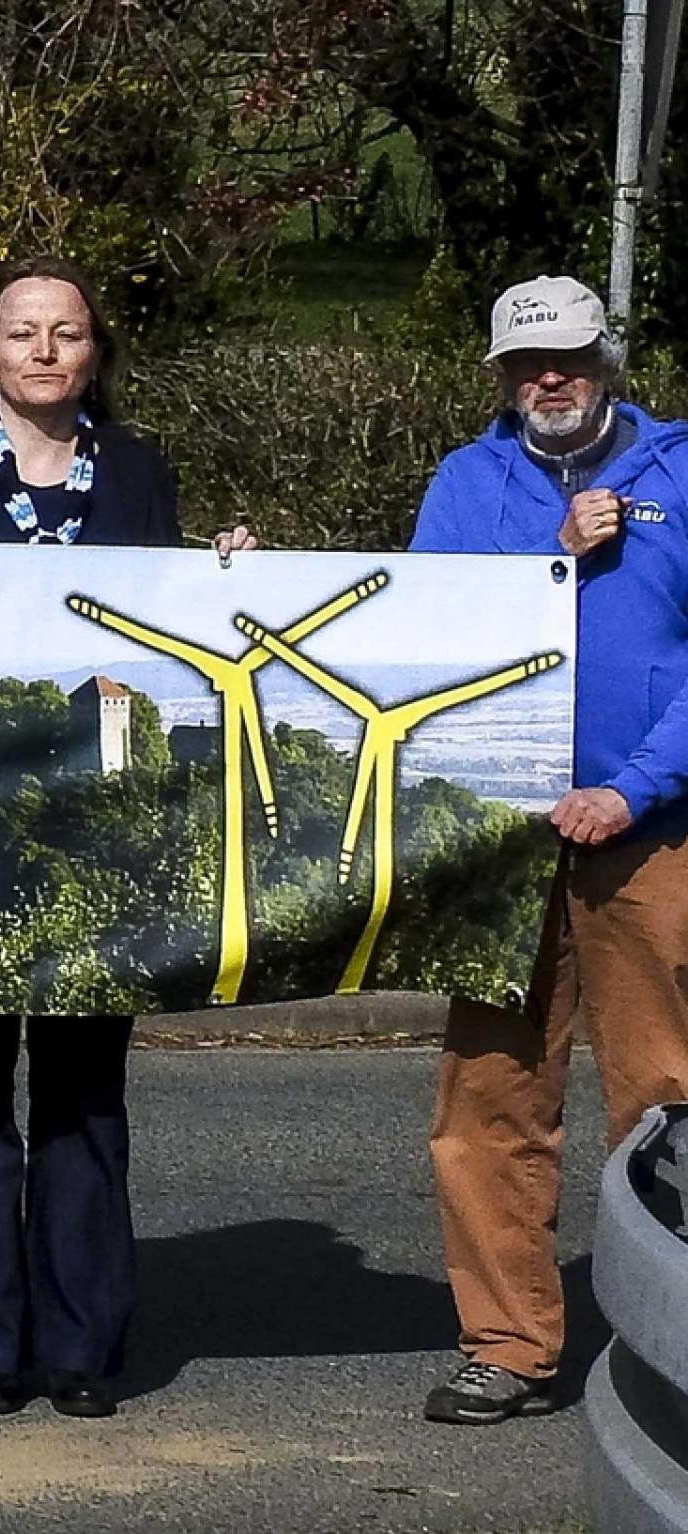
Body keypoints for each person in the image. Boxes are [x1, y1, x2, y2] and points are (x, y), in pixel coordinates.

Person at [0, 258, 255, 1418]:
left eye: (65, 332)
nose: (43, 350)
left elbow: (169, 638)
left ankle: (81, 1343)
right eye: (21, 331)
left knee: (85, 1089)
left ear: (94, 353)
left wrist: (223, 579)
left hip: (105, 819)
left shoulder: (137, 474)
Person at [408, 274, 688, 1426]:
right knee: (488, 1098)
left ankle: (668, 1342)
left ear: (605, 358)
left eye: (567, 356)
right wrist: (554, 544)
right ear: (500, 376)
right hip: (498, 841)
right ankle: (508, 1344)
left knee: (666, 1101)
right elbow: (429, 631)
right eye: (526, 365)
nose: (549, 379)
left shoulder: (677, 470)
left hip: (649, 834)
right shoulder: (467, 486)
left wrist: (631, 790)